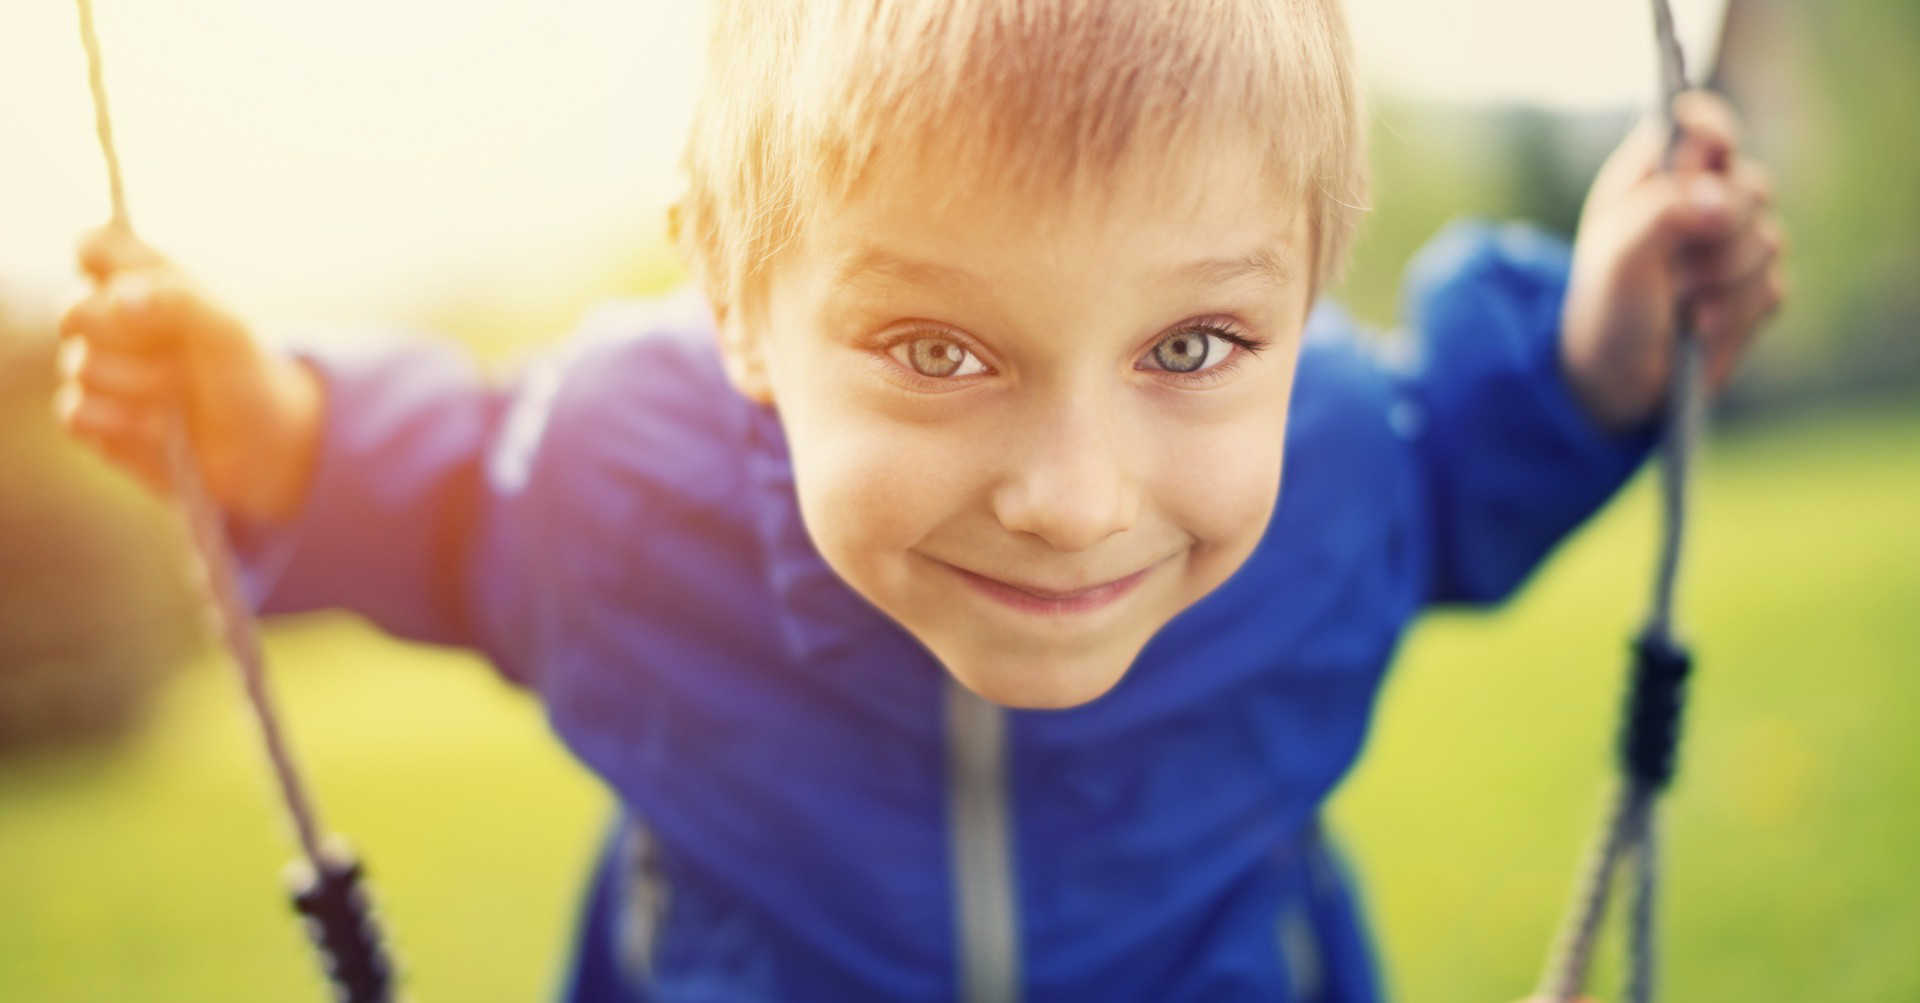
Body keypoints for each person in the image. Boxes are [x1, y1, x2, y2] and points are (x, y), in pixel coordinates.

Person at [52, 1, 1785, 999]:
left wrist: (1605, 352)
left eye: (1192, 341)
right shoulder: (619, 480)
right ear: (736, 299)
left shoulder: (1330, 457)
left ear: (1312, 282)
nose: (1073, 498)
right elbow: (432, 498)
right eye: (937, 351)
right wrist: (265, 423)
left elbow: (1458, 459)